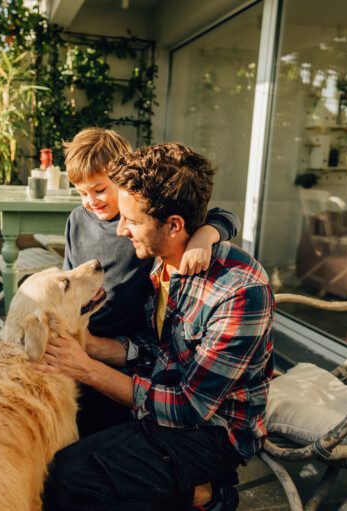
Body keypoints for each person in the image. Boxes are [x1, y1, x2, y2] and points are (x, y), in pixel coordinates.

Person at [39, 143, 274, 511]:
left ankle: (210, 495)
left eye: (131, 221)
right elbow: (151, 347)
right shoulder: (160, 265)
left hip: (212, 433)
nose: (120, 231)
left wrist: (86, 369)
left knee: (69, 481)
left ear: (175, 225)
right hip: (158, 398)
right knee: (58, 460)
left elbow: (187, 408)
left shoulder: (240, 293)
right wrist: (89, 346)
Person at [61, 128, 241, 437]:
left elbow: (224, 216)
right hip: (84, 330)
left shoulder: (149, 223)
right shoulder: (78, 220)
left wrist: (206, 234)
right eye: (81, 193)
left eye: (99, 189)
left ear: (122, 179)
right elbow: (67, 278)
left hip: (129, 347)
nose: (90, 201)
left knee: (105, 425)